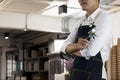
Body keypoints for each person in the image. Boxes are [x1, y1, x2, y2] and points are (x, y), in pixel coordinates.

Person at [60, 0, 112, 80]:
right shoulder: (81, 21)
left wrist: (72, 50)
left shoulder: (104, 17)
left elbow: (91, 51)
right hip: (77, 74)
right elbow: (63, 48)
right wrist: (76, 46)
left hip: (95, 75)